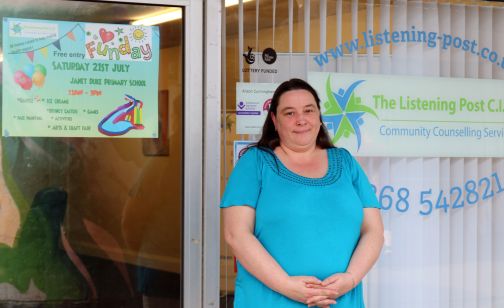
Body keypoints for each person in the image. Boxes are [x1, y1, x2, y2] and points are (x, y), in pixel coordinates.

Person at [221, 78, 384, 308]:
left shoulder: (346, 163)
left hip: (340, 300)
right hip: (271, 301)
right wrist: (287, 285)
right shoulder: (255, 163)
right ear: (275, 121)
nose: (301, 120)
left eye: (309, 110)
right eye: (289, 113)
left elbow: (374, 231)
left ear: (319, 116)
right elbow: (236, 234)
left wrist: (350, 279)